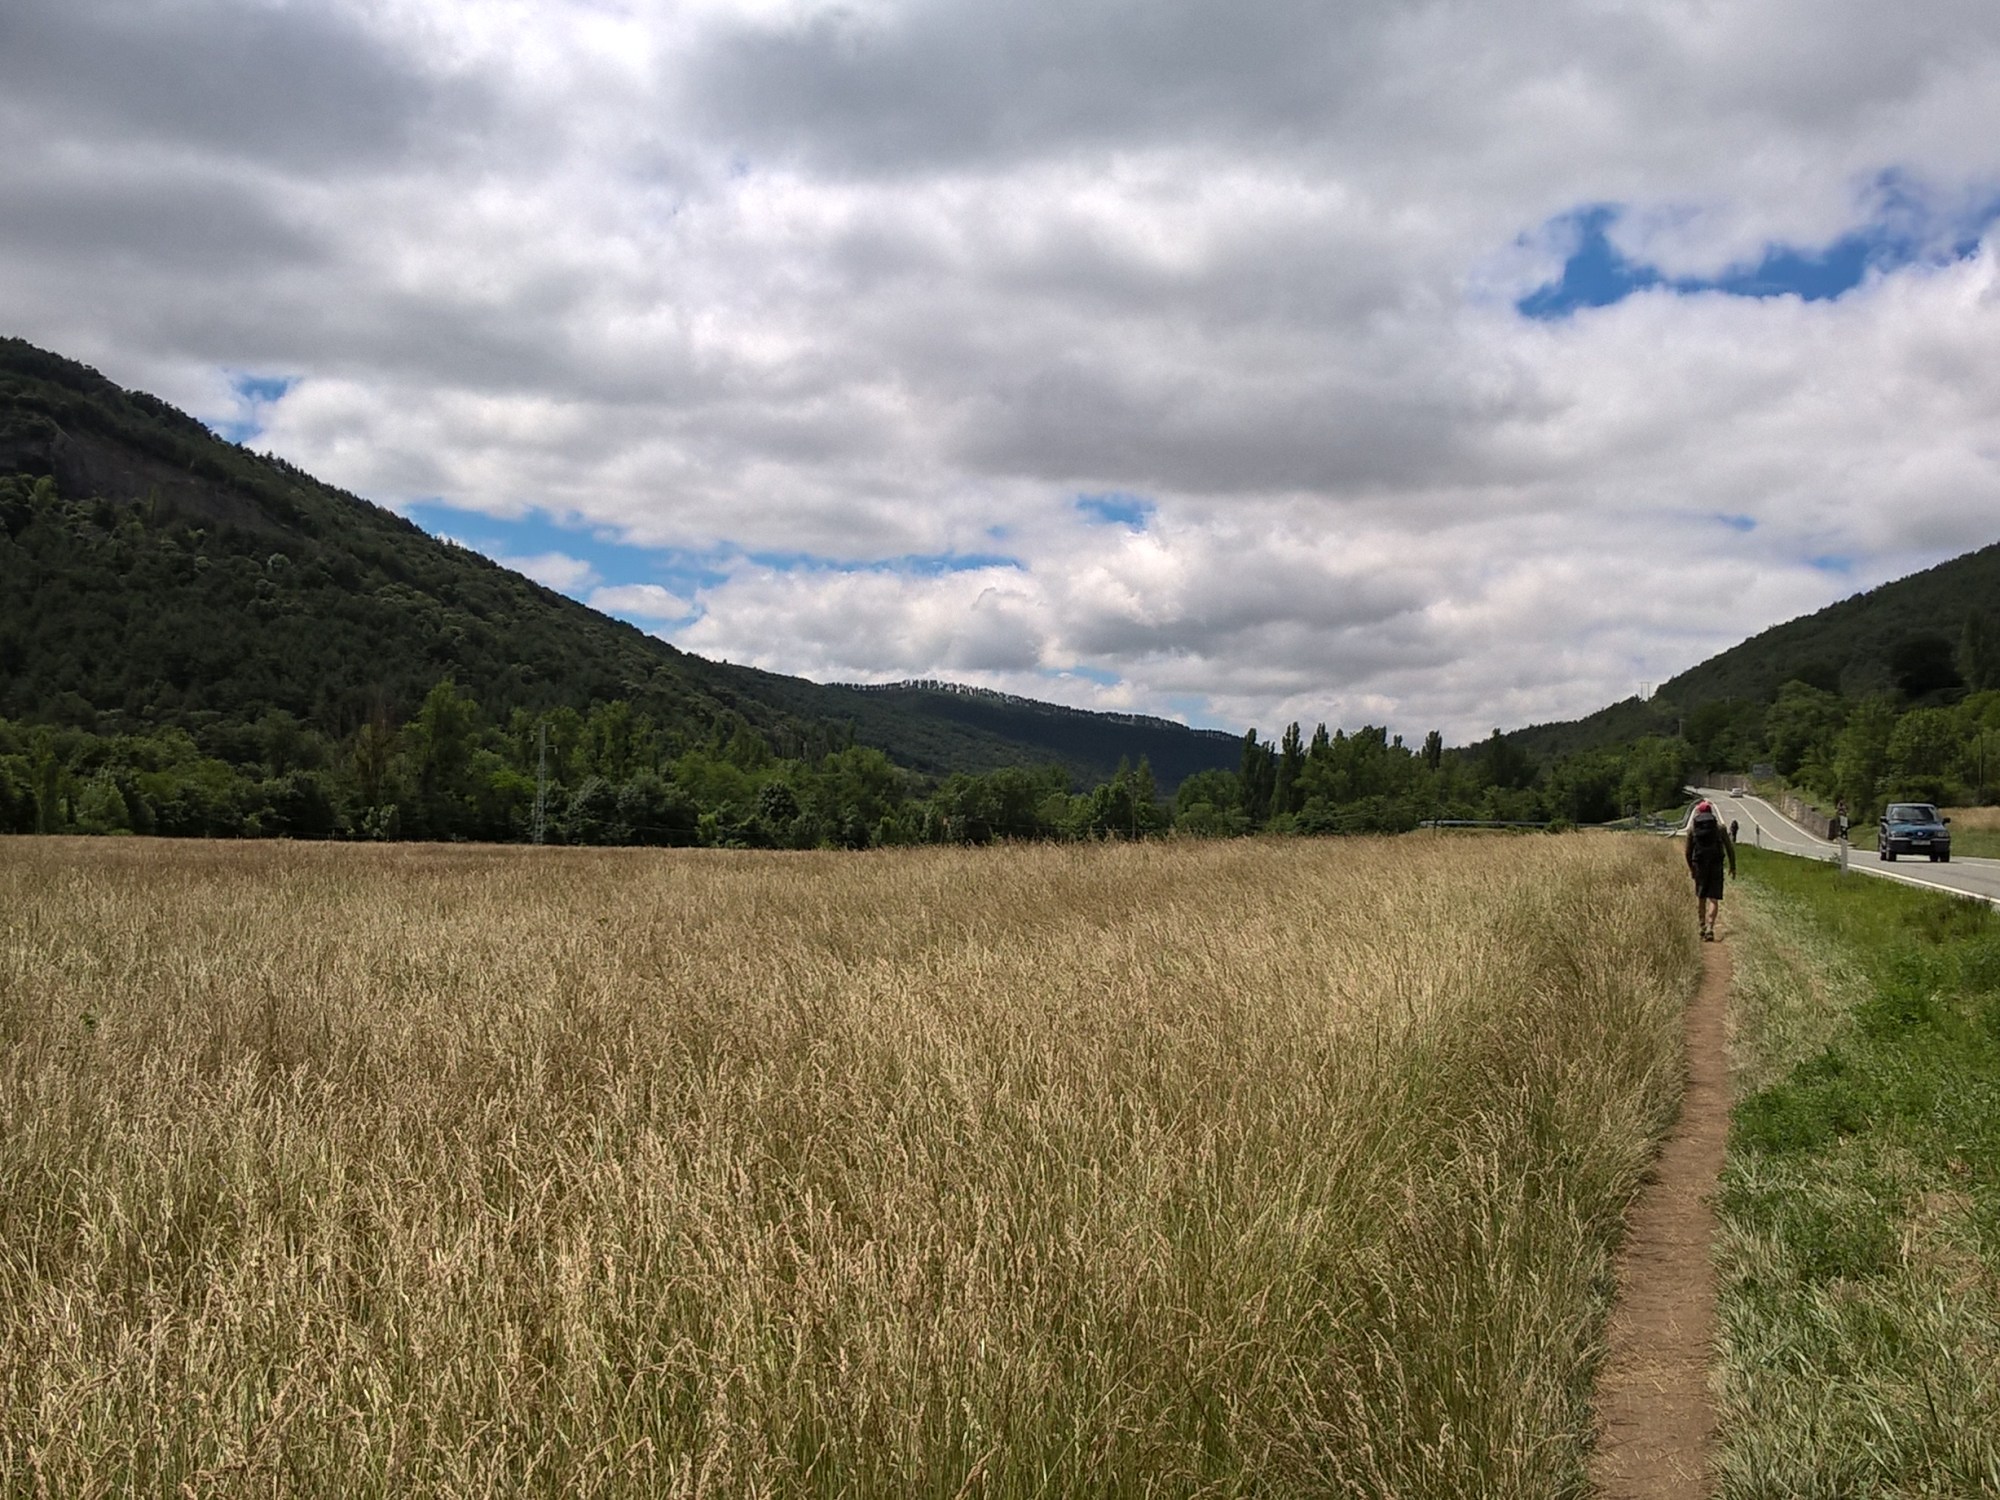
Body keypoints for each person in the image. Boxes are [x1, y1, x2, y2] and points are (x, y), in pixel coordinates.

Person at [1686, 799, 1735, 942]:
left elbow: (1688, 852)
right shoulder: (1720, 829)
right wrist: (1732, 866)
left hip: (1699, 866)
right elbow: (1729, 849)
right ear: (1711, 812)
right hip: (1716, 865)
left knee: (1701, 897)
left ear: (1698, 813)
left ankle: (1701, 926)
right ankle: (1710, 928)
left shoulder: (1693, 830)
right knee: (1713, 898)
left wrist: (1692, 868)